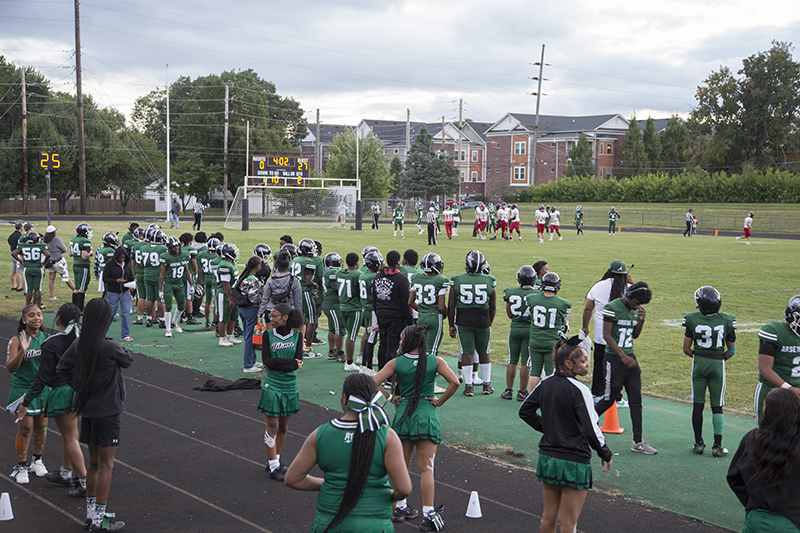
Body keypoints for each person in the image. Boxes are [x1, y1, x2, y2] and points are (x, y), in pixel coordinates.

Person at [285, 373, 412, 532]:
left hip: (329, 525)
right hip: (374, 526)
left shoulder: (320, 434)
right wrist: (391, 496)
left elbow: (293, 479)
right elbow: (404, 489)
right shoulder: (387, 436)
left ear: (344, 399)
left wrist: (329, 484)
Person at [519, 336, 613, 533]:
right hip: (574, 461)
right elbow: (591, 428)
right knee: (569, 524)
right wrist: (604, 452)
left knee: (548, 518)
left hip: (548, 458)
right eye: (583, 361)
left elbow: (525, 411)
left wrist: (549, 428)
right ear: (569, 364)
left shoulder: (545, 383)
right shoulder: (581, 390)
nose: (587, 365)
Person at [57, 297, 132, 532]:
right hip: (108, 412)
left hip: (89, 410)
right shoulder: (108, 346)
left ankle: (91, 515)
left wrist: (80, 386)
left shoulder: (80, 343)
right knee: (107, 465)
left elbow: (61, 368)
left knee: (94, 463)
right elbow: (128, 359)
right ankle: (99, 520)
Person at [374, 324, 459, 531]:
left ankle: (400, 507)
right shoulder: (435, 361)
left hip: (403, 416)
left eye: (402, 339)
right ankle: (428, 515)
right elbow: (455, 382)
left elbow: (373, 382)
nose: (400, 342)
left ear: (409, 341)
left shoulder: (396, 362)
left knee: (401, 466)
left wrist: (390, 397)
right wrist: (439, 401)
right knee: (426, 469)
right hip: (426, 416)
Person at [16, 303, 86, 496]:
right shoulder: (81, 339)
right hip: (79, 391)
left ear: (57, 319)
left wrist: (26, 402)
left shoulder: (52, 342)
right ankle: (65, 473)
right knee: (70, 436)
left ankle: (84, 482)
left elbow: (42, 377)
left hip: (63, 393)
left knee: (70, 438)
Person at [727, 387, 800, 532]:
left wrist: (753, 505)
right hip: (793, 523)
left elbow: (734, 477)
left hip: (756, 519)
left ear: (768, 412)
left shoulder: (752, 438)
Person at [595, 282, 655, 455]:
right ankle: (585, 423)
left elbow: (635, 335)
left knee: (636, 400)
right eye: (636, 303)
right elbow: (606, 335)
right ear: (629, 296)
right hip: (614, 359)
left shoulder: (636, 310)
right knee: (609, 398)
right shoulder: (612, 307)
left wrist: (641, 320)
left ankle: (638, 441)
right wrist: (622, 356)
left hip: (630, 357)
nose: (638, 306)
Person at [683, 286, 737, 457]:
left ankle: (699, 444)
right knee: (717, 406)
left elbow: (686, 349)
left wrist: (700, 357)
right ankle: (717, 447)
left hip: (699, 363)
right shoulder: (727, 320)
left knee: (698, 404)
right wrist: (719, 358)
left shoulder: (691, 319)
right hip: (717, 364)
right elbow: (732, 350)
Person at [258, 304, 304, 481]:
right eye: (270, 315)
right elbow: (267, 362)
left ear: (285, 317)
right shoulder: (267, 335)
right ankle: (274, 466)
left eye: (274, 316)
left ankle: (275, 460)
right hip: (273, 384)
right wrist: (289, 364)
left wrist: (279, 363)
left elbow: (297, 362)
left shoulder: (298, 336)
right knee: (273, 427)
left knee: (283, 427)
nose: (271, 318)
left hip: (290, 385)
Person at [6, 303, 49, 485]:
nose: (37, 318)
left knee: (42, 427)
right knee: (26, 428)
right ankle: (21, 466)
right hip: (22, 389)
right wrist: (23, 351)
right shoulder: (16, 340)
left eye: (39, 314)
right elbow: (10, 368)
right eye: (32, 315)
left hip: (42, 390)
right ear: (24, 320)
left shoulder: (47, 338)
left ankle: (37, 460)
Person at [581, 260, 631, 404]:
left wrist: (585, 327)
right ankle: (616, 397)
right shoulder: (628, 288)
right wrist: (632, 283)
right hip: (619, 336)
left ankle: (597, 393)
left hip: (601, 334)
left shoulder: (598, 286)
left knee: (599, 364)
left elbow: (588, 309)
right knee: (617, 367)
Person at [448, 250, 497, 396]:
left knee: (467, 352)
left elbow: (451, 305)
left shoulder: (457, 280)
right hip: (483, 319)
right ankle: (487, 384)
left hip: (464, 319)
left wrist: (451, 324)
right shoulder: (489, 280)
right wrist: (489, 321)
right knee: (484, 351)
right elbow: (493, 306)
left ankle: (468, 386)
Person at [754, 295, 800, 424]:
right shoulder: (775, 331)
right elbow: (765, 369)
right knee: (765, 431)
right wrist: (789, 388)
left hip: (798, 391)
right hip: (772, 391)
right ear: (792, 317)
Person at [525, 273, 571, 391]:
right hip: (552, 342)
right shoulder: (563, 303)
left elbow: (529, 315)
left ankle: (532, 397)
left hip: (535, 339)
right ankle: (547, 398)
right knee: (550, 372)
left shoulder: (532, 298)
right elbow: (564, 322)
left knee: (535, 370)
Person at [372, 251, 413, 370]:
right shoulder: (401, 279)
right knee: (392, 345)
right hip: (396, 316)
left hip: (381, 313)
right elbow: (406, 302)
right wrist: (409, 321)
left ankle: (381, 371)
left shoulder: (377, 276)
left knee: (383, 343)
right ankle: (389, 375)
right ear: (398, 262)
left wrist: (378, 312)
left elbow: (374, 298)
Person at [501, 266, 537, 401]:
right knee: (525, 361)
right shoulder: (537, 294)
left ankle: (508, 390)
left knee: (512, 359)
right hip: (529, 329)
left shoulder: (510, 292)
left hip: (515, 328)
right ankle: (522, 392)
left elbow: (510, 314)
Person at [410, 253, 449, 360]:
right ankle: (428, 368)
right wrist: (447, 312)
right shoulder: (441, 280)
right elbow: (441, 307)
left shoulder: (416, 278)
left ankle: (419, 366)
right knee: (432, 350)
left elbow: (410, 302)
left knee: (420, 347)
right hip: (434, 317)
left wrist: (422, 310)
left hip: (421, 316)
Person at [159, 236, 192, 338]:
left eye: (177, 245)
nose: (177, 248)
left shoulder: (184, 255)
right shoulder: (166, 257)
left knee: (182, 305)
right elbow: (162, 274)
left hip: (179, 283)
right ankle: (168, 329)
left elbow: (186, 270)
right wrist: (160, 289)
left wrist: (191, 284)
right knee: (168, 306)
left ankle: (174, 322)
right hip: (169, 283)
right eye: (174, 246)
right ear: (169, 247)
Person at [237, 256, 265, 373]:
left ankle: (252, 360)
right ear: (257, 266)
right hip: (251, 309)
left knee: (248, 335)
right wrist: (263, 299)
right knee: (250, 337)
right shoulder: (254, 280)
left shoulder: (243, 277)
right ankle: (248, 364)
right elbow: (254, 298)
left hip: (242, 309)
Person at [336, 253, 363, 368]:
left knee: (347, 333)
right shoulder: (358, 274)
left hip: (342, 307)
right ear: (357, 263)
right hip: (354, 308)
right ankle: (350, 362)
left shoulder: (339, 273)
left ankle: (347, 360)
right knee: (352, 336)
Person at [259, 251, 302, 322]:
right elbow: (298, 302)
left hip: (270, 312)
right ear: (288, 266)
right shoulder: (294, 280)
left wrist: (260, 315)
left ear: (277, 266)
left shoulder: (271, 280)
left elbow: (265, 299)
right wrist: (298, 317)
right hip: (286, 313)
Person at [103, 246, 135, 342]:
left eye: (123, 257)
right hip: (113, 292)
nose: (122, 259)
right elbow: (105, 278)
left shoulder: (127, 265)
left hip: (125, 291)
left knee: (126, 313)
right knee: (111, 313)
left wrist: (133, 281)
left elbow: (130, 276)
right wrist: (116, 281)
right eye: (120, 257)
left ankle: (125, 334)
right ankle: (102, 332)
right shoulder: (110, 265)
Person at [357, 250, 382, 372]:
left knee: (368, 336)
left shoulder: (363, 275)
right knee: (371, 337)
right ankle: (368, 367)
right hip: (372, 311)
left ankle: (364, 364)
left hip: (365, 308)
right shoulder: (373, 277)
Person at [13, 231, 50, 307]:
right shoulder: (40, 246)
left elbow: (13, 253)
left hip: (28, 268)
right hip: (37, 268)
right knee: (37, 289)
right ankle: (38, 306)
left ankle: (27, 306)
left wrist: (21, 261)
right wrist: (43, 263)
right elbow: (48, 254)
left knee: (29, 289)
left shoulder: (23, 246)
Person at [215, 243, 242, 347]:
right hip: (224, 294)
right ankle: (222, 338)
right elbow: (226, 284)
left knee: (234, 316)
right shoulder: (224, 265)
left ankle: (229, 336)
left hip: (233, 293)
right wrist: (230, 298)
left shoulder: (232, 263)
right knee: (224, 316)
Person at [321, 252, 345, 362]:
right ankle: (340, 353)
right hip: (333, 304)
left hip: (330, 303)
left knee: (333, 328)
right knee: (339, 329)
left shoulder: (329, 272)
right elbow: (339, 287)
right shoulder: (331, 273)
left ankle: (332, 351)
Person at [44, 225, 76, 301]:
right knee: (66, 278)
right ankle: (76, 291)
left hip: (49, 262)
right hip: (58, 262)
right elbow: (64, 249)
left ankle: (52, 296)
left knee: (51, 279)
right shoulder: (56, 239)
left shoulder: (45, 240)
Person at [69, 223, 94, 311]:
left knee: (76, 288)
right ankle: (80, 309)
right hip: (83, 266)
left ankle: (74, 308)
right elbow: (84, 256)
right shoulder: (85, 241)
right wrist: (91, 252)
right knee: (82, 288)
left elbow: (70, 253)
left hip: (75, 265)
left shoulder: (73, 239)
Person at [8, 221, 24, 292]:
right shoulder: (20, 236)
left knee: (13, 271)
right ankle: (19, 287)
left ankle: (13, 286)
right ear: (21, 227)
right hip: (18, 255)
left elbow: (9, 244)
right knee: (19, 272)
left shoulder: (11, 235)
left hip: (12, 254)